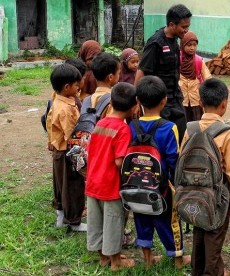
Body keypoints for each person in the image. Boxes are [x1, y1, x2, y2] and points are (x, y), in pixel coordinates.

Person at [180, 78, 230, 276]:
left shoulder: (190, 128)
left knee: (199, 229)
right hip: (217, 194)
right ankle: (212, 272)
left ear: (200, 103)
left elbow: (181, 158)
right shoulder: (227, 133)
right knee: (215, 234)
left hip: (192, 191)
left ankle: (197, 269)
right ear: (224, 104)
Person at [131, 76, 191, 269]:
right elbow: (173, 158)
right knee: (169, 221)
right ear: (164, 100)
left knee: (141, 218)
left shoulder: (132, 126)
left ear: (138, 101)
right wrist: (177, 184)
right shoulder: (169, 127)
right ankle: (178, 259)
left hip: (136, 184)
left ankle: (147, 261)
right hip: (162, 186)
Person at [85, 83, 138, 271]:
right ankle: (116, 262)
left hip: (93, 182)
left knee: (96, 222)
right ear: (134, 107)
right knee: (113, 223)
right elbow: (118, 162)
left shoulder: (100, 123)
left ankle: (103, 257)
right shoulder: (123, 129)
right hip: (110, 185)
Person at [135, 4, 192, 140]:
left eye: (188, 26)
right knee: (162, 139)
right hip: (159, 103)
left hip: (175, 99)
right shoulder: (156, 43)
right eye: (183, 27)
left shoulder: (175, 41)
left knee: (181, 135)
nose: (186, 30)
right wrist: (136, 100)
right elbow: (141, 72)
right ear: (172, 25)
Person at [46, 64, 87, 232]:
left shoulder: (57, 100)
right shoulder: (65, 110)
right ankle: (74, 221)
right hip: (68, 152)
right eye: (77, 85)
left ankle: (61, 216)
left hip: (59, 151)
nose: (79, 88)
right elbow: (72, 134)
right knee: (73, 186)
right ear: (67, 87)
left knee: (60, 184)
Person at [179, 31, 212, 122]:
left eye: (194, 45)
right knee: (183, 123)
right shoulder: (177, 59)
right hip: (181, 100)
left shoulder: (198, 61)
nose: (192, 48)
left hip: (196, 100)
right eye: (189, 45)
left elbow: (208, 78)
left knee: (197, 123)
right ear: (182, 44)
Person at [88, 52, 121, 118]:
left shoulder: (87, 100)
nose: (119, 76)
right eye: (118, 73)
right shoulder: (113, 102)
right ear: (110, 77)